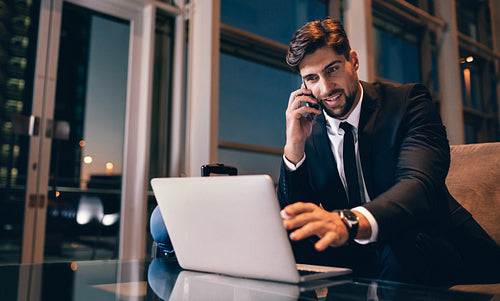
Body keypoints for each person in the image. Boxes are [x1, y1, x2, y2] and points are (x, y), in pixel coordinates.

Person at [278, 18, 500, 285]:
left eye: (332, 69)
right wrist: (294, 148)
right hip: (359, 255)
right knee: (285, 250)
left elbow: (419, 186)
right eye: (312, 78)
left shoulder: (408, 103)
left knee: (399, 247)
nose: (325, 88)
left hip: (432, 243)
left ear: (353, 61)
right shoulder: (311, 132)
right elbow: (295, 218)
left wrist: (349, 221)